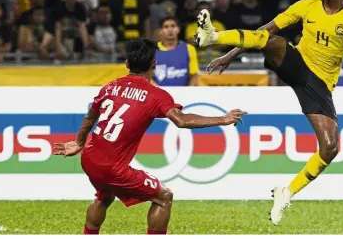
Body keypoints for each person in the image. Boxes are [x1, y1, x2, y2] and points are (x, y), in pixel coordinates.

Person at [193, 0, 343, 226]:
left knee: (331, 148)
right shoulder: (306, 6)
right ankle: (212, 36)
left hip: (320, 84)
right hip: (297, 64)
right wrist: (229, 53)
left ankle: (286, 192)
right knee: (274, 41)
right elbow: (265, 30)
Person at [53, 38, 246, 235]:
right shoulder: (156, 95)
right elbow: (181, 120)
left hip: (89, 158)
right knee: (164, 197)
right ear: (154, 64)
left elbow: (90, 117)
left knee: (104, 196)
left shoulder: (110, 87)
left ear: (127, 64)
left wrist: (79, 142)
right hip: (113, 168)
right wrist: (223, 119)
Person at [154, 17, 199, 86]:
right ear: (160, 31)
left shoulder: (189, 48)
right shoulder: (152, 50)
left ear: (178, 29)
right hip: (159, 94)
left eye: (173, 26)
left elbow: (194, 76)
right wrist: (159, 92)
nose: (170, 30)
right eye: (166, 27)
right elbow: (147, 77)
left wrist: (189, 93)